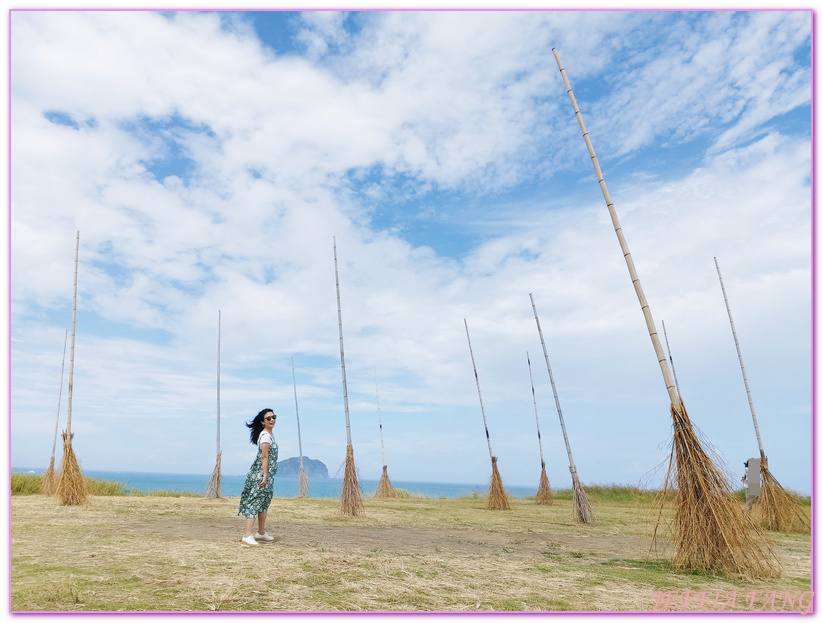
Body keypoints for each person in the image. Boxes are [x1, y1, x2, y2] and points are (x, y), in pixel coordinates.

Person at [238, 408, 278, 546]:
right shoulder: (265, 436)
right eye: (268, 418)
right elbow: (264, 456)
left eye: (273, 417)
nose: (272, 420)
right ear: (262, 422)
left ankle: (261, 533)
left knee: (264, 503)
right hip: (261, 474)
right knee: (255, 502)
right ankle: (247, 536)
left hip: (268, 475)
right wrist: (264, 475)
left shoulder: (270, 435)